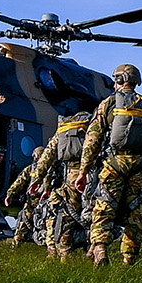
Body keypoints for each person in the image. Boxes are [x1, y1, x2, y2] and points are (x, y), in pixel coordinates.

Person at [74, 64, 142, 266]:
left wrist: (83, 171)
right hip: (140, 164)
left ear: (121, 80)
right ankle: (129, 258)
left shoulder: (110, 103)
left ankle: (100, 249)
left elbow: (92, 140)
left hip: (114, 163)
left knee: (104, 206)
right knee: (136, 211)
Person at [34, 111, 90, 260]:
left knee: (67, 216)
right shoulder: (93, 125)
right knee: (97, 215)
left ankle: (64, 256)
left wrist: (37, 179)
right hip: (94, 174)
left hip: (73, 176)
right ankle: (97, 251)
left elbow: (47, 157)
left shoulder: (63, 130)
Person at [4, 145, 46, 246]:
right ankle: (16, 244)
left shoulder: (49, 170)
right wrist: (10, 194)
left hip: (45, 203)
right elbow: (19, 182)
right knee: (22, 225)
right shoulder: (30, 169)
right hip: (31, 203)